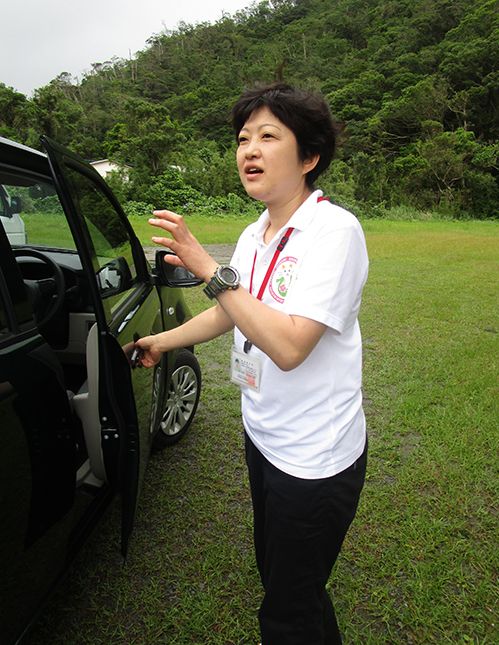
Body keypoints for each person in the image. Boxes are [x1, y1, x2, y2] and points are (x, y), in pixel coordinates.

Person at [136, 82, 369, 645]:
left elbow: (289, 347)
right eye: (243, 139)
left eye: (269, 136)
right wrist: (162, 341)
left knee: (286, 614)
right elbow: (230, 313)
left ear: (309, 157)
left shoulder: (334, 232)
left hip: (313, 458)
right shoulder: (254, 232)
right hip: (264, 436)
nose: (250, 150)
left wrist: (205, 267)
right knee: (288, 583)